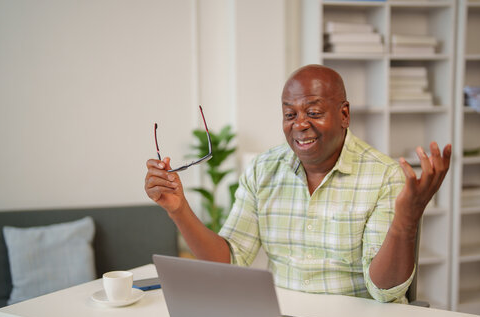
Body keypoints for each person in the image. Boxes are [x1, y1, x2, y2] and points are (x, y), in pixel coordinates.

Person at [145, 64, 451, 303]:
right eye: (290, 114)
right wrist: (178, 209)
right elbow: (230, 260)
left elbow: (384, 291)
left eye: (313, 112)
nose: (300, 124)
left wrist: (406, 221)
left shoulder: (384, 175)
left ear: (344, 114)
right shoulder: (262, 170)